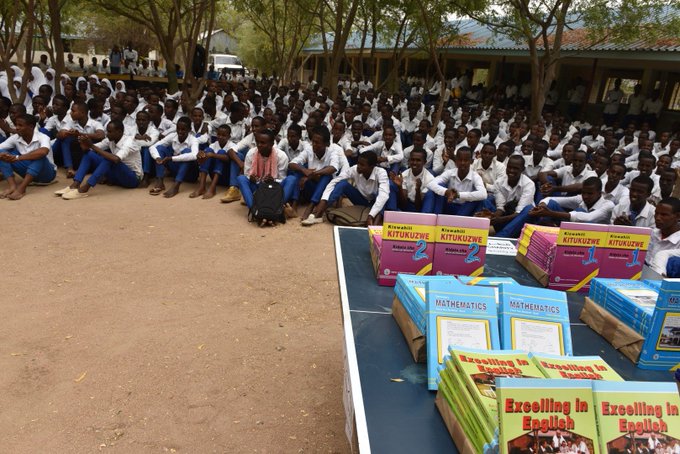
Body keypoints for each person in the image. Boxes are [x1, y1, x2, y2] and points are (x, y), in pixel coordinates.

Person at [54, 120, 142, 199]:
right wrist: (84, 143)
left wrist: (91, 145)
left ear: (119, 132)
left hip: (133, 179)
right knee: (89, 154)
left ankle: (85, 189)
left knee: (109, 159)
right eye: (107, 131)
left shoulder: (129, 142)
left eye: (110, 132)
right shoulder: (110, 140)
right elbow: (91, 150)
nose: (107, 134)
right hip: (118, 176)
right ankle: (74, 185)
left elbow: (116, 159)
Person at [302, 151, 389, 226]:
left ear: (372, 167)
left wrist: (371, 215)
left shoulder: (381, 173)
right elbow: (335, 181)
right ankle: (319, 214)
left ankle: (374, 222)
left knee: (382, 195)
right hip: (361, 201)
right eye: (358, 163)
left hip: (375, 203)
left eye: (362, 165)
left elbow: (383, 196)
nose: (358, 166)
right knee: (342, 184)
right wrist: (324, 200)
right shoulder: (354, 169)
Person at [283, 126, 339, 221]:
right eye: (313, 141)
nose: (314, 145)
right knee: (297, 171)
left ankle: (311, 206)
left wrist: (314, 174)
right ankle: (294, 205)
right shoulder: (309, 150)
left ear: (326, 144)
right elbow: (291, 164)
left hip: (324, 194)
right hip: (310, 188)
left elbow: (333, 168)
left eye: (317, 143)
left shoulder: (332, 152)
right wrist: (304, 171)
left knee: (326, 176)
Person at [236, 129, 289, 223]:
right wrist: (251, 178)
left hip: (273, 191)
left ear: (272, 144)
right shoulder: (251, 153)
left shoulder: (281, 156)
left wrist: (273, 181)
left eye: (263, 143)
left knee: (291, 179)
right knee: (241, 179)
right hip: (257, 186)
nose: (259, 145)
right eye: (257, 142)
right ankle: (256, 211)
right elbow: (247, 174)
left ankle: (276, 209)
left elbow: (282, 179)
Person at [477, 155, 536, 237]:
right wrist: (493, 217)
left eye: (516, 168)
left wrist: (499, 219)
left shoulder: (528, 184)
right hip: (506, 216)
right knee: (485, 200)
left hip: (521, 220)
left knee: (528, 209)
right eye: (509, 167)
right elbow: (500, 207)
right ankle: (477, 230)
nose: (511, 171)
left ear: (522, 169)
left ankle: (500, 236)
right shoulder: (499, 182)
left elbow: (519, 213)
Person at [0, 114, 56, 199]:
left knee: (39, 155)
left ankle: (22, 188)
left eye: (20, 125)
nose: (17, 128)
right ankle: (12, 186)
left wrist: (17, 158)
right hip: (27, 172)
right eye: (16, 125)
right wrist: (2, 155)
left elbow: (43, 152)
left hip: (47, 174)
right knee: (2, 153)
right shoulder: (15, 138)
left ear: (31, 127)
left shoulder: (43, 137)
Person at [424, 146, 488, 215]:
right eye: (460, 160)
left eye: (466, 160)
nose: (462, 163)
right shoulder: (450, 172)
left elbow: (483, 194)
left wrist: (458, 195)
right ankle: (429, 218)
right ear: (456, 160)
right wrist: (446, 192)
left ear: (471, 161)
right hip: (449, 205)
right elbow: (430, 184)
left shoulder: (475, 176)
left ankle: (466, 223)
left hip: (465, 209)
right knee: (433, 191)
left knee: (479, 199)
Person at [148, 116, 199, 197]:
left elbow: (194, 155)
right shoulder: (173, 135)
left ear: (189, 129)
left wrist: (172, 158)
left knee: (187, 152)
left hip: (190, 174)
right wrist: (157, 157)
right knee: (160, 148)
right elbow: (152, 147)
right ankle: (160, 181)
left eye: (183, 129)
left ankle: (176, 186)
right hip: (175, 171)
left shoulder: (193, 139)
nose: (180, 131)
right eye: (178, 128)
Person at [190, 124, 234, 199]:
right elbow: (203, 159)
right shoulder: (213, 145)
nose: (220, 137)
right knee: (208, 151)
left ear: (229, 137)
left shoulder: (232, 145)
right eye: (219, 134)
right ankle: (202, 187)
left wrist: (213, 155)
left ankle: (212, 188)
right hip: (213, 175)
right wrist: (200, 155)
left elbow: (228, 158)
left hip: (226, 176)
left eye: (223, 135)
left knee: (221, 152)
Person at [386, 147, 434, 212]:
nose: (414, 162)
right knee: (390, 184)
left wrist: (417, 190)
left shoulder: (429, 178)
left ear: (424, 162)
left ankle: (424, 221)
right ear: (409, 161)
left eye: (418, 160)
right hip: (406, 205)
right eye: (412, 159)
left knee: (431, 194)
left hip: (420, 208)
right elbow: (403, 204)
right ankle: (391, 213)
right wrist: (400, 187)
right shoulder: (404, 175)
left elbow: (418, 206)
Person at [646, 197, 680, 275]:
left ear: (678, 216)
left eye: (664, 215)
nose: (657, 218)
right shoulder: (651, 233)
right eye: (656, 213)